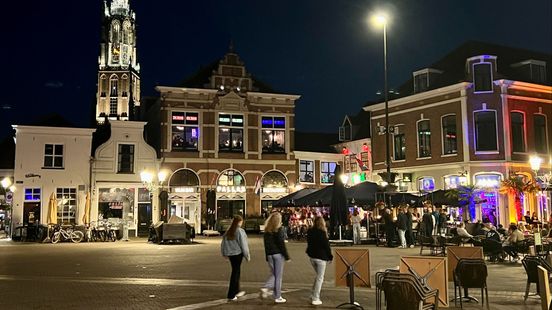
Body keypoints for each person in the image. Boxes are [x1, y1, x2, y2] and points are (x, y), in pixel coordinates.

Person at [261, 212, 290, 303]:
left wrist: (267, 256)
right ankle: (276, 295)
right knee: (278, 276)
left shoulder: (266, 231)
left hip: (270, 254)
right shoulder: (278, 230)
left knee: (274, 274)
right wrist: (286, 256)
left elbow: (266, 245)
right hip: (278, 254)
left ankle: (273, 293)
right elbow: (281, 244)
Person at [221, 215, 251, 301]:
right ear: (239, 222)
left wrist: (224, 253)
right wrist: (247, 256)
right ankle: (231, 294)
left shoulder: (229, 231)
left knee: (236, 271)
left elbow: (223, 243)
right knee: (235, 273)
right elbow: (244, 245)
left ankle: (236, 290)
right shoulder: (240, 231)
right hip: (238, 254)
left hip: (231, 255)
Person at [306, 216, 333, 306]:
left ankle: (312, 294)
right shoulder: (322, 233)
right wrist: (330, 256)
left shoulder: (310, 231)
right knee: (320, 278)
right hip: (321, 257)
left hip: (312, 256)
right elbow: (326, 246)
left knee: (318, 276)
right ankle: (315, 297)